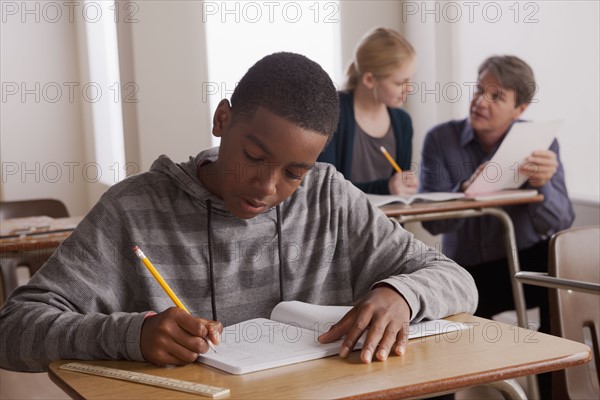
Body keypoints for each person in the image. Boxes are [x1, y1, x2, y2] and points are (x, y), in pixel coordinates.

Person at [0, 52, 477, 373]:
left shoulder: (328, 197)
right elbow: (14, 330)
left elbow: (457, 280)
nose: (267, 187)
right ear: (222, 120)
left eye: (294, 171)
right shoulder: (133, 210)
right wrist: (134, 335)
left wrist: (401, 295)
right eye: (253, 157)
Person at [419, 55, 574, 394]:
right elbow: (431, 222)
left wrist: (542, 184)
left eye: (496, 96)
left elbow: (562, 220)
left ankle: (553, 392)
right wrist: (465, 193)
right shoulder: (439, 140)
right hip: (467, 273)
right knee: (435, 306)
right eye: (478, 90)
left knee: (559, 272)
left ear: (519, 109)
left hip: (523, 264)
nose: (479, 102)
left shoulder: (541, 143)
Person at [318, 27, 418, 195]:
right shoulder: (332, 113)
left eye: (411, 79)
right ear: (369, 80)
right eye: (400, 82)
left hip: (387, 221)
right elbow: (327, 190)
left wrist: (403, 187)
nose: (410, 89)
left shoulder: (403, 122)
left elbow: (401, 199)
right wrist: (386, 188)